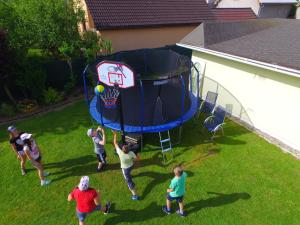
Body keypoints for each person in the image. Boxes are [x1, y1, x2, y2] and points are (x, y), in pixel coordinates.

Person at [112, 130, 140, 200]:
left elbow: (115, 143)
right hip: (131, 165)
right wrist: (137, 156)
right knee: (129, 173)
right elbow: (137, 159)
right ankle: (130, 177)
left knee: (128, 181)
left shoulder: (120, 153)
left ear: (122, 150)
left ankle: (134, 195)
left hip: (125, 169)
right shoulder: (131, 153)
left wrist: (115, 134)